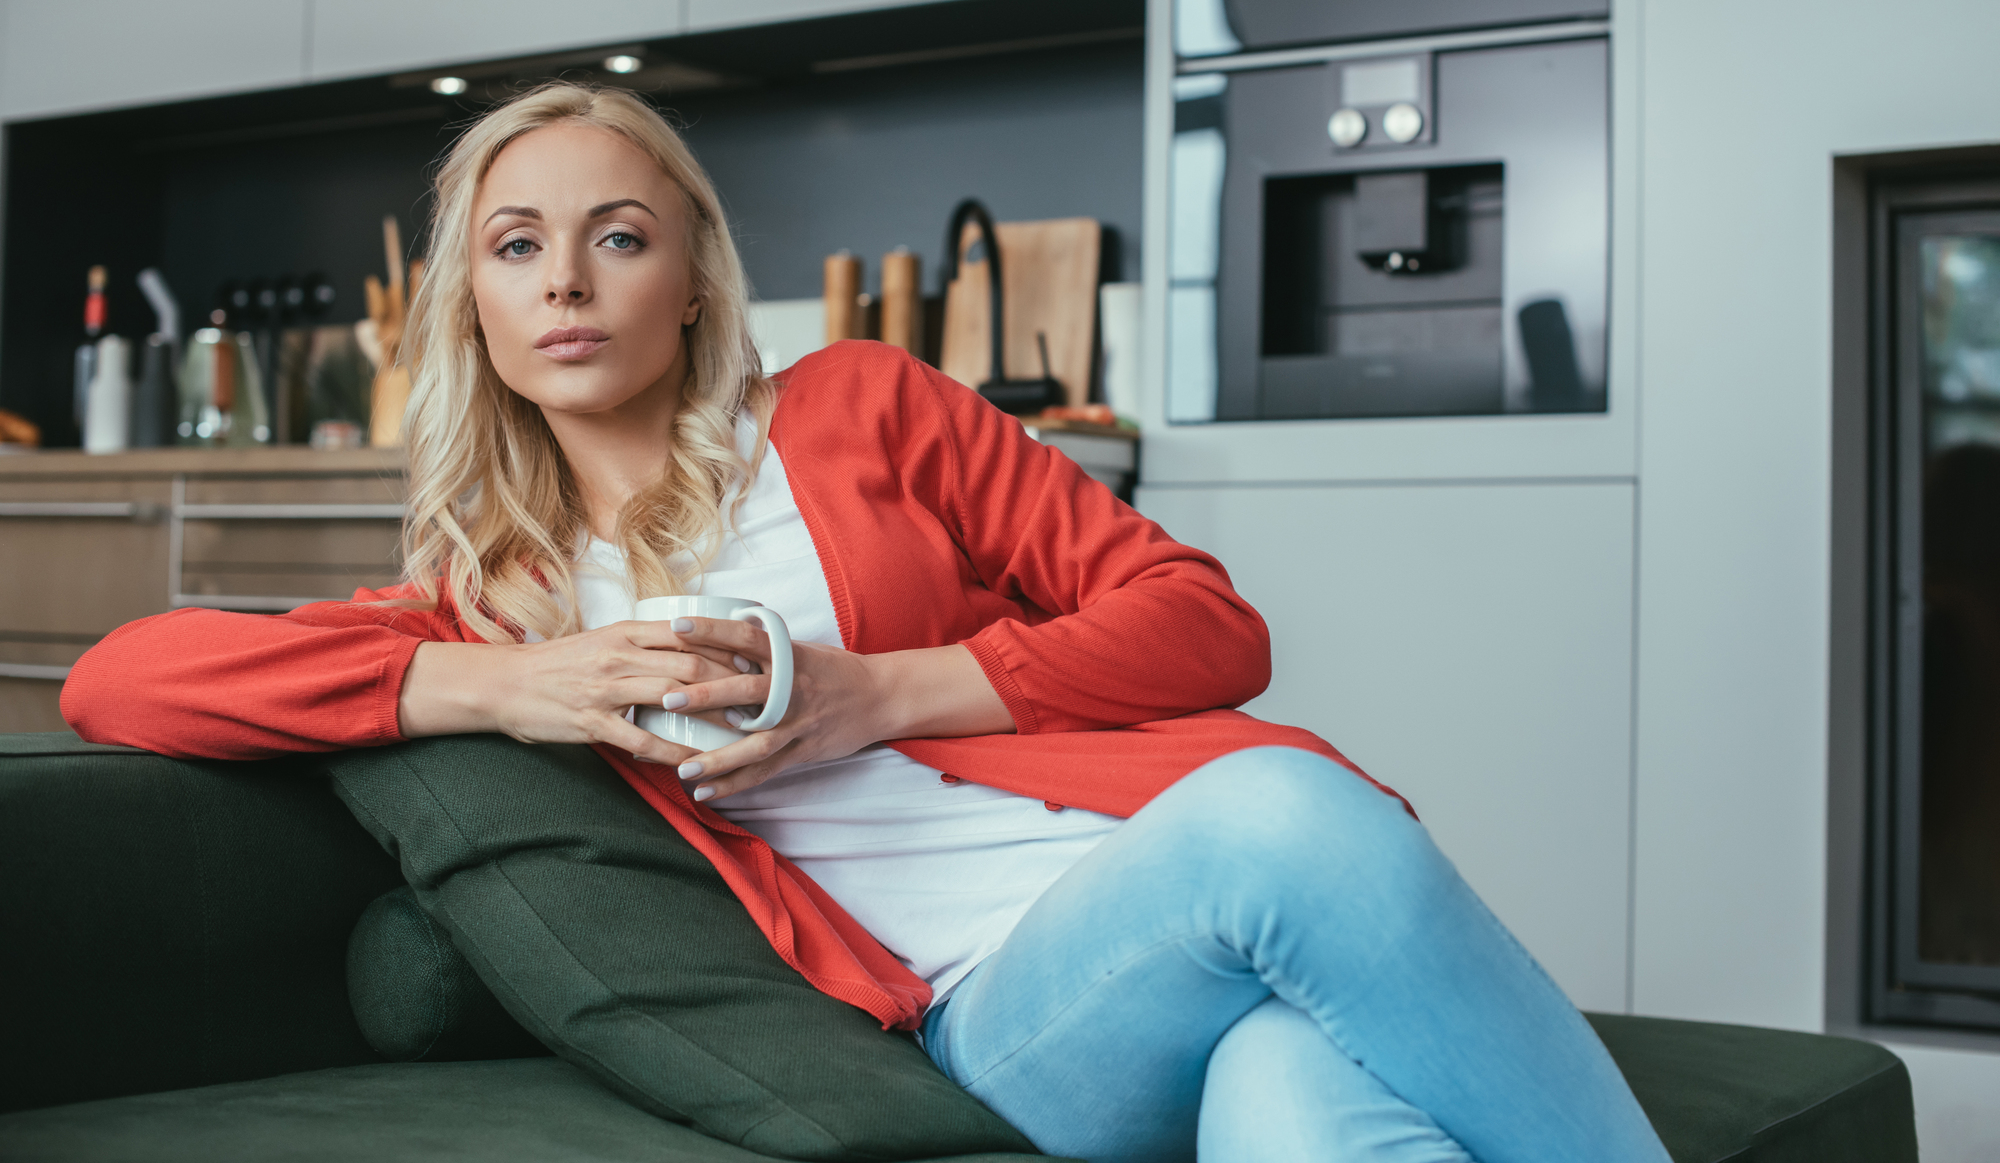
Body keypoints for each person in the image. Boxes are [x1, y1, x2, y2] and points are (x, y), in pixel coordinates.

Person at [63, 83, 1669, 1163]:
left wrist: (878, 693)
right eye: (516, 246)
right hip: (1004, 1009)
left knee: (1300, 1109)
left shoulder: (862, 408)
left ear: (693, 278)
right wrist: (508, 685)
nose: (568, 281)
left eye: (619, 235)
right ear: (473, 306)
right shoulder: (496, 593)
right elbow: (120, 681)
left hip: (1164, 903)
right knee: (1281, 812)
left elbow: (1208, 625)